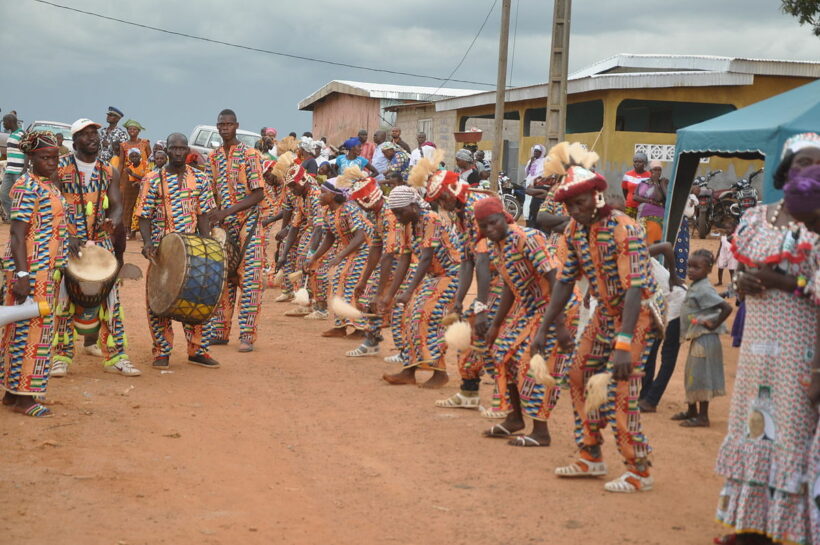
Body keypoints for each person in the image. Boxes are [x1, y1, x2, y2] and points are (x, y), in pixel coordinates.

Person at [714, 133, 819, 545]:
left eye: (816, 163)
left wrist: (783, 280)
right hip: (757, 339)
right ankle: (751, 527)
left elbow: (814, 283)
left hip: (802, 341)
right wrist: (743, 281)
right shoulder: (757, 217)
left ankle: (787, 530)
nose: (807, 169)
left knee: (792, 430)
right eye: (800, 163)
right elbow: (743, 267)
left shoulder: (819, 219)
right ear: (785, 170)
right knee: (751, 425)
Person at [535, 160, 665, 493]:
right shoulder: (575, 230)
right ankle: (590, 453)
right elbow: (565, 282)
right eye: (568, 205)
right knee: (578, 375)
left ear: (596, 196)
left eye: (578, 203)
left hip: (638, 318)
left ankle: (639, 470)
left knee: (621, 391)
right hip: (605, 315)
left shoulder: (626, 228)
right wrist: (543, 328)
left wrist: (623, 343)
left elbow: (636, 287)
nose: (573, 210)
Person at [477, 197, 578, 446]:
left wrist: (559, 325)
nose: (489, 229)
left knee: (532, 362)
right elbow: (510, 287)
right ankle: (515, 419)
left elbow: (556, 278)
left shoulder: (527, 238)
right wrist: (497, 325)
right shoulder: (495, 246)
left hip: (558, 304)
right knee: (501, 351)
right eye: (483, 226)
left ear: (504, 216)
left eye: (492, 223)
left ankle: (541, 432)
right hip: (531, 307)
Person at [52, 118, 140, 377]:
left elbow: (117, 204)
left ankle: (117, 356)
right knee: (63, 300)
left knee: (111, 300)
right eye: (86, 134)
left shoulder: (107, 170)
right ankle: (61, 356)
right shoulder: (60, 168)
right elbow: (54, 205)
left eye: (95, 133)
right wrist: (66, 236)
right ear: (75, 140)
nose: (93, 137)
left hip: (100, 242)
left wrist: (113, 219)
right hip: (68, 242)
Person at [136, 133, 221, 369]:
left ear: (187, 150)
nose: (178, 153)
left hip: (193, 248)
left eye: (182, 148)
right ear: (167, 150)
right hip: (162, 249)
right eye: (174, 148)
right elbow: (143, 215)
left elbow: (204, 214)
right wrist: (147, 243)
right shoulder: (153, 179)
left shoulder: (201, 179)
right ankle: (162, 351)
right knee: (159, 302)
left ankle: (198, 350)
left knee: (197, 297)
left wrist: (207, 244)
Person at [0, 131, 68, 417]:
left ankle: (12, 394)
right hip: (32, 269)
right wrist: (23, 273)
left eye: (54, 157)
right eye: (45, 158)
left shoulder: (47, 185)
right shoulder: (28, 186)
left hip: (45, 269)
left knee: (21, 329)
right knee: (32, 334)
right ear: (31, 158)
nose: (51, 162)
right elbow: (17, 234)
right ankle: (25, 397)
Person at [418, 167, 492, 408]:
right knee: (472, 335)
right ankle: (469, 394)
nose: (439, 203)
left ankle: (507, 403)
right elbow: (467, 259)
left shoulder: (474, 208)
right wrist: (459, 301)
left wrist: (480, 304)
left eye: (440, 198)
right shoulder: (458, 213)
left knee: (490, 334)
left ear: (451, 191)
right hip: (493, 277)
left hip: (506, 277)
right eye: (436, 200)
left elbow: (482, 259)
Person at [379, 186, 460, 389]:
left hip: (453, 274)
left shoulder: (430, 219)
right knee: (410, 316)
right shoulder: (407, 224)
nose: (397, 217)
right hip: (435, 276)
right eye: (394, 212)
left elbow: (425, 259)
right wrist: (390, 294)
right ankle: (409, 371)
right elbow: (405, 258)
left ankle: (440, 372)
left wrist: (407, 292)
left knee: (427, 316)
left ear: (414, 207)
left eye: (400, 211)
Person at [208, 109, 265, 352]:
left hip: (249, 226)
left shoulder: (250, 155)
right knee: (225, 281)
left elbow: (258, 193)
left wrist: (226, 212)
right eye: (221, 124)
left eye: (229, 124)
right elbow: (211, 192)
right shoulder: (214, 157)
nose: (224, 128)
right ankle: (221, 332)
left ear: (236, 125)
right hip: (224, 228)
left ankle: (247, 336)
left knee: (250, 281)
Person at [304, 179, 373, 338]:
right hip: (351, 252)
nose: (319, 196)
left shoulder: (349, 209)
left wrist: (340, 255)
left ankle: (360, 328)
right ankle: (340, 326)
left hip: (365, 250)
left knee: (352, 284)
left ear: (333, 195)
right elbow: (329, 237)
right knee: (336, 282)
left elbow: (361, 236)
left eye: (323, 192)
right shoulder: (328, 212)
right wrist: (314, 257)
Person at [671, 249, 731, 427]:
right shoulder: (697, 285)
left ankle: (703, 416)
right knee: (692, 374)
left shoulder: (703, 288)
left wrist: (713, 324)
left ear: (708, 269)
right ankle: (691, 410)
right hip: (699, 338)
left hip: (706, 339)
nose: (691, 270)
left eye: (697, 267)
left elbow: (726, 308)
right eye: (689, 266)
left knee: (701, 376)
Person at [633, 160, 667, 244]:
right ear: (651, 171)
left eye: (659, 170)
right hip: (642, 214)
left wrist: (656, 183)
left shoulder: (663, 182)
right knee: (641, 239)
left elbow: (659, 198)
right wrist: (649, 201)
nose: (658, 172)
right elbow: (635, 197)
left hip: (657, 215)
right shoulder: (643, 183)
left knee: (653, 241)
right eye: (655, 169)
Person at [1, 113, 24, 221]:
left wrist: (24, 170)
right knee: (4, 194)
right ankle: (12, 218)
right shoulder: (11, 135)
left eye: (4, 121)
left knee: (19, 197)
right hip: (9, 170)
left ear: (10, 121)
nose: (3, 124)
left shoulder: (21, 134)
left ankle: (20, 219)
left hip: (18, 171)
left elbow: (27, 152)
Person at [122, 148, 147, 238]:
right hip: (132, 191)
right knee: (128, 209)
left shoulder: (145, 165)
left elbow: (147, 178)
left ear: (140, 156)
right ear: (129, 158)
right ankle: (129, 231)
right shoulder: (129, 168)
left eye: (136, 155)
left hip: (144, 190)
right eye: (132, 156)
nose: (134, 158)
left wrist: (133, 175)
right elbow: (130, 182)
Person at [522, 145, 547, 226]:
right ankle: (527, 218)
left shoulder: (544, 160)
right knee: (527, 201)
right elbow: (527, 172)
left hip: (537, 184)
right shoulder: (531, 160)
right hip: (529, 182)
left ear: (541, 152)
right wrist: (531, 163)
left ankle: (534, 219)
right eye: (535, 151)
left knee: (534, 202)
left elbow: (542, 172)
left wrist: (535, 180)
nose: (535, 153)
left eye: (537, 151)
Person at [622, 151, 650, 218]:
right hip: (630, 206)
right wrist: (630, 199)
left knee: (641, 226)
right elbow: (624, 190)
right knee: (629, 226)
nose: (637, 164)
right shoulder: (627, 175)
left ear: (645, 163)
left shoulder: (649, 175)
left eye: (640, 162)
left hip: (644, 206)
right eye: (635, 161)